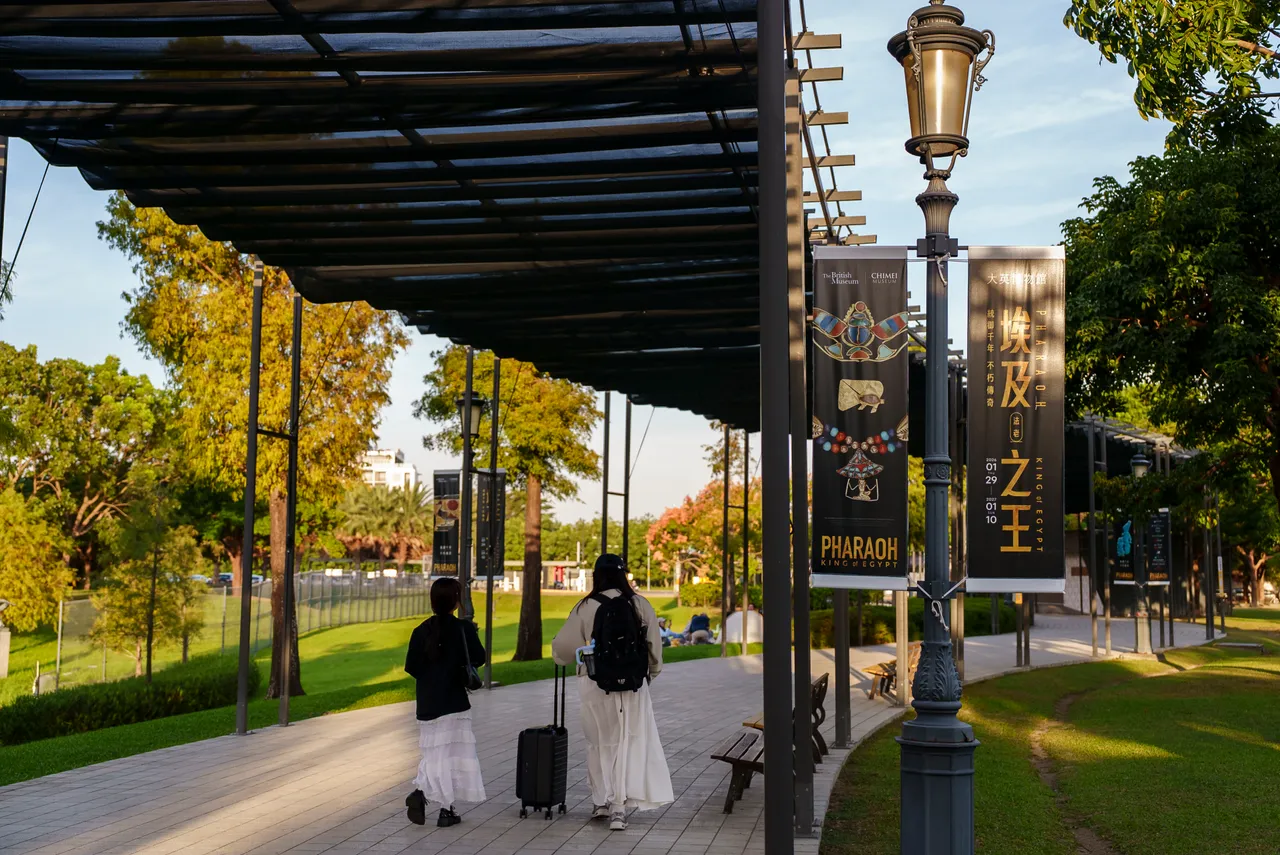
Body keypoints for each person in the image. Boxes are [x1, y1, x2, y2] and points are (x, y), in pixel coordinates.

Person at [552, 554, 674, 831]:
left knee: (598, 743)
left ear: (597, 576)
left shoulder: (585, 606)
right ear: (623, 575)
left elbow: (562, 649)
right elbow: (655, 648)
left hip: (594, 682)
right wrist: (648, 675)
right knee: (624, 743)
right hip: (632, 684)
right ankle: (619, 807)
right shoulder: (639, 604)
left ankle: (600, 802)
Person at [403, 577, 487, 828]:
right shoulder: (463, 629)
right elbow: (479, 658)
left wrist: (432, 676)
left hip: (428, 700)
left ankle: (425, 794)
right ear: (456, 601)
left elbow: (412, 666)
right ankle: (442, 808)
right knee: (449, 754)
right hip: (453, 700)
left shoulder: (420, 631)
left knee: (434, 753)